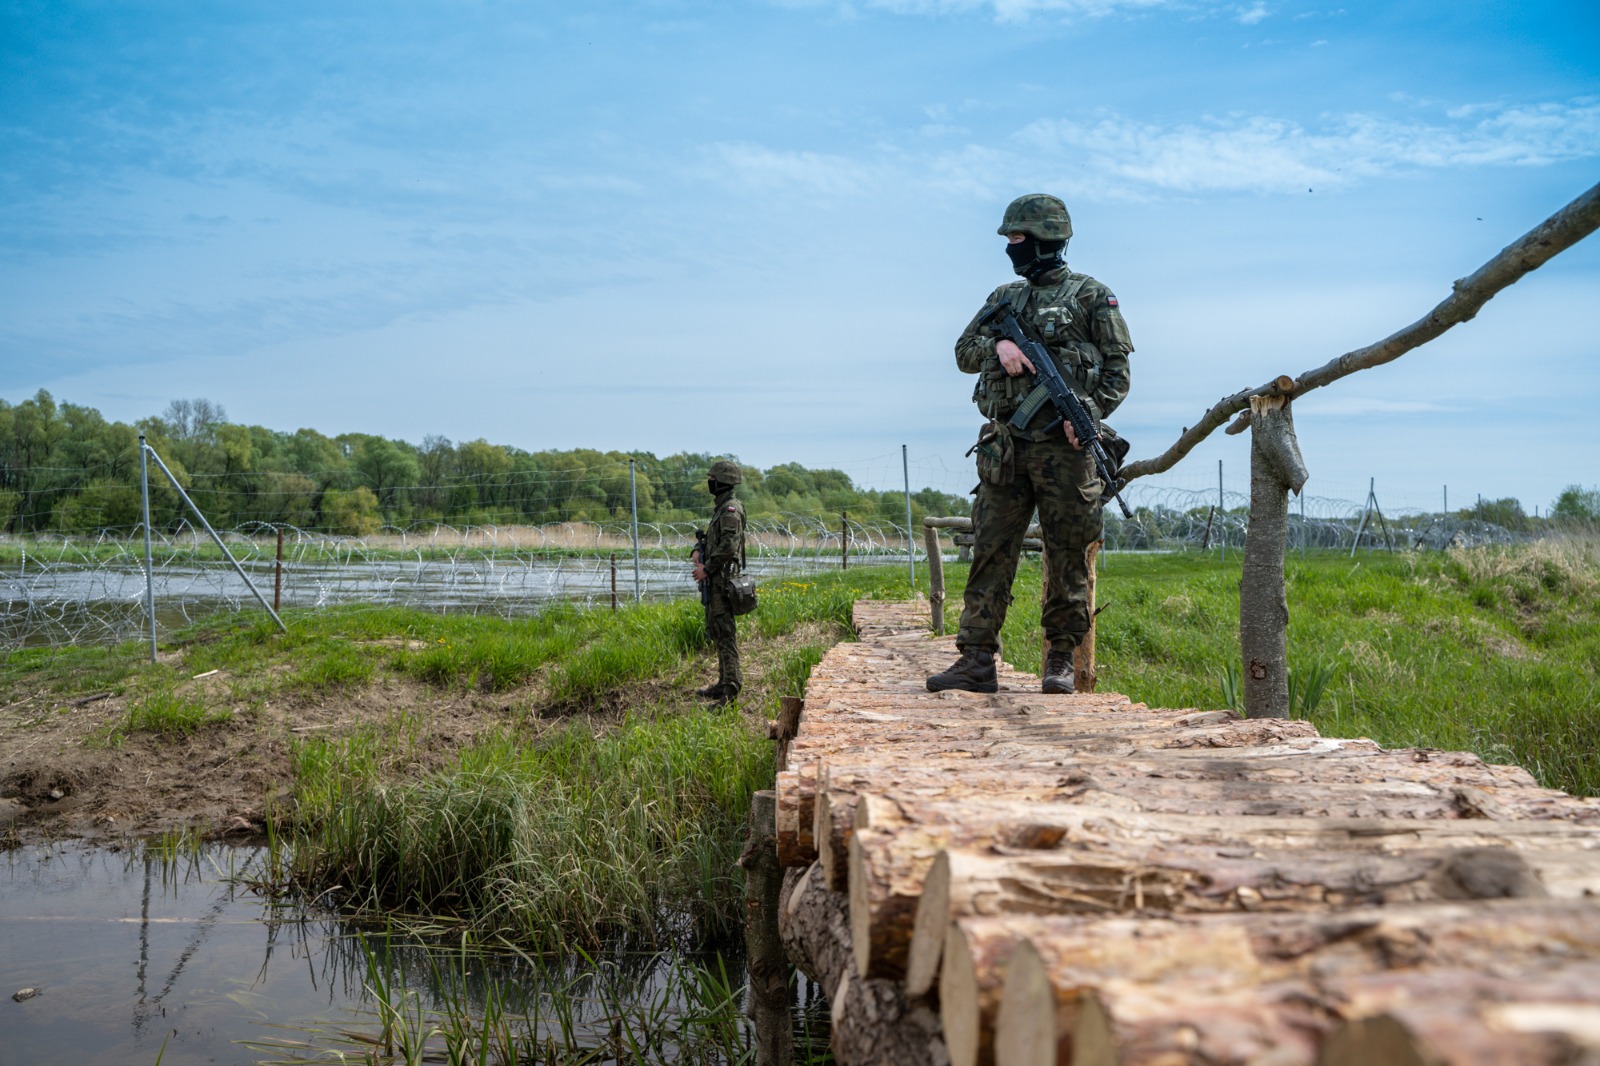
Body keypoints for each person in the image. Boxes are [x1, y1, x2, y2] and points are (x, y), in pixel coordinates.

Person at [927, 194, 1133, 695]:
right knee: (991, 551)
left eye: (1018, 239)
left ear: (1044, 241)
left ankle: (1060, 659)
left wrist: (1090, 414)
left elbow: (1117, 370)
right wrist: (1000, 344)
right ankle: (976, 659)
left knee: (1067, 554)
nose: (1011, 248)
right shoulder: (1004, 298)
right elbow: (962, 352)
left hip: (1064, 452)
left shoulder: (1091, 296)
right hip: (1007, 449)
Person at [692, 458, 747, 705]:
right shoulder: (722, 508)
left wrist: (707, 568)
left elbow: (728, 546)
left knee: (726, 635)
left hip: (722, 580)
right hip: (716, 580)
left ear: (723, 482)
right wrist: (696, 550)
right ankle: (723, 682)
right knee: (718, 631)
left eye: (713, 479)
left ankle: (731, 690)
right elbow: (714, 539)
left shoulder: (730, 510)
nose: (709, 483)